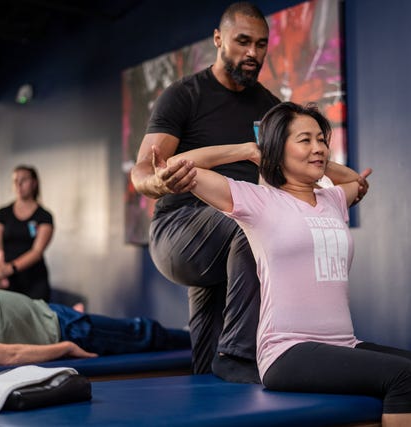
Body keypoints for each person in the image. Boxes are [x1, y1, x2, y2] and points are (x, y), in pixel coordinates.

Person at [154, 102, 411, 426]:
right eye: (305, 140)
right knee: (402, 376)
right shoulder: (258, 201)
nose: (318, 148)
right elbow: (177, 164)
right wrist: (249, 149)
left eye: (322, 140)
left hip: (344, 345)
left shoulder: (332, 199)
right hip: (287, 352)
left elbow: (356, 181)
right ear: (276, 148)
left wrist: (313, 158)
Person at [131, 1, 369, 384]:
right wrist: (158, 183)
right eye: (243, 42)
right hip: (180, 232)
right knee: (255, 226)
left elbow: (305, 159)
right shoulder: (183, 95)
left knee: (209, 366)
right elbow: (144, 171)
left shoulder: (270, 107)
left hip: (230, 235)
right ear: (218, 39)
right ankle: (241, 353)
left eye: (261, 45)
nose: (252, 53)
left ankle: (223, 377)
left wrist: (354, 180)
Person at [0, 289, 191, 367]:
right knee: (145, 333)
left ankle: (194, 337)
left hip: (49, 315)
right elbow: (9, 356)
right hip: (63, 331)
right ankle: (197, 340)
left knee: (143, 331)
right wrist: (65, 348)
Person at [0, 165, 54, 302]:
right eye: (15, 180)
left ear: (34, 183)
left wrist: (11, 268)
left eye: (24, 180)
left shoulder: (44, 216)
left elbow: (37, 251)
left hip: (34, 281)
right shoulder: (2, 214)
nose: (19, 184)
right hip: (6, 280)